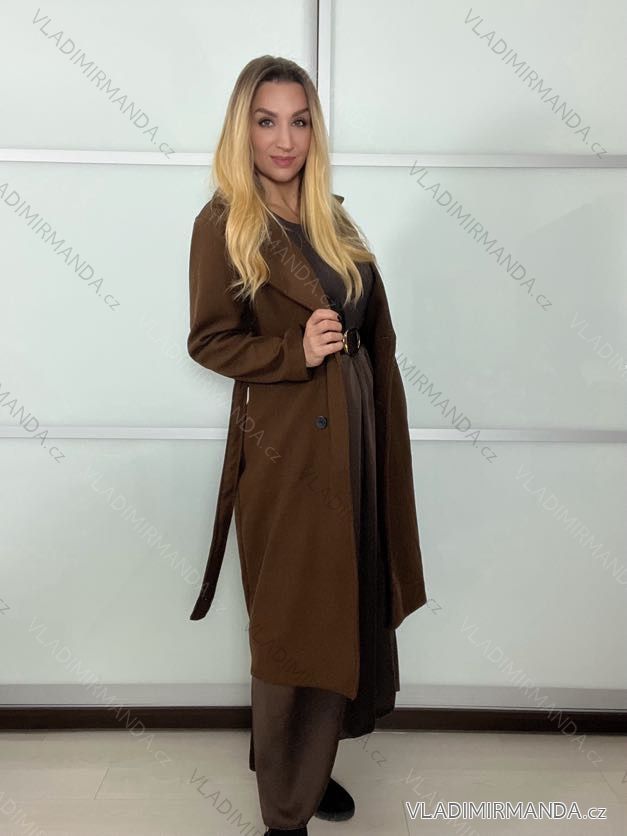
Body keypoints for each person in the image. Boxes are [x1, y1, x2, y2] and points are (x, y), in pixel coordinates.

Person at [187, 55, 427, 835]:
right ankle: (285, 811)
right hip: (288, 447)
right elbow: (209, 340)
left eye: (298, 121)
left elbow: (367, 323)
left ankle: (305, 766)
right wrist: (295, 351)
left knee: (341, 604)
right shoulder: (224, 223)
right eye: (266, 121)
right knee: (294, 620)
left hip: (355, 436)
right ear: (243, 129)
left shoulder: (333, 217)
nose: (283, 139)